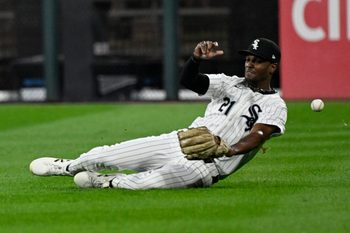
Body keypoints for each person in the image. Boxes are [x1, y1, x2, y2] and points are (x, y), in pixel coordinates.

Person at [30, 38, 287, 190]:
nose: (250, 63)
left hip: (207, 167)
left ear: (272, 66)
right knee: (109, 153)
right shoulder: (228, 83)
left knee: (147, 183)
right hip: (176, 141)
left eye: (258, 60)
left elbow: (258, 136)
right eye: (248, 59)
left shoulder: (275, 105)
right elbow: (190, 80)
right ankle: (66, 166)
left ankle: (106, 182)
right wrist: (195, 59)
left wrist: (228, 150)